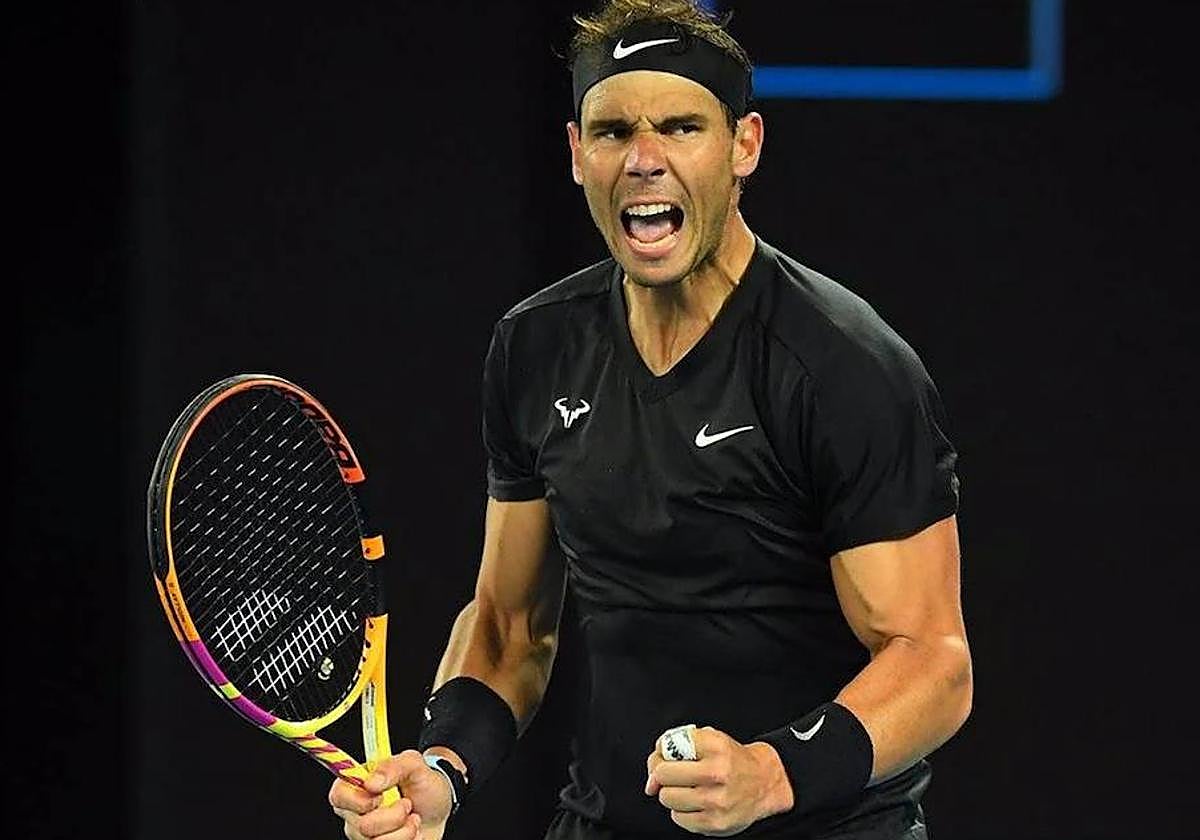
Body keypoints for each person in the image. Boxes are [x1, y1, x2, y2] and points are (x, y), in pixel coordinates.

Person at [329, 1, 972, 838]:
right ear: (576, 153)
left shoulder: (844, 366)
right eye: (612, 131)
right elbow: (511, 626)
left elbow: (932, 663)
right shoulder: (536, 347)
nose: (643, 161)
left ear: (744, 145)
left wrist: (773, 773)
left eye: (680, 127)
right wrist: (445, 767)